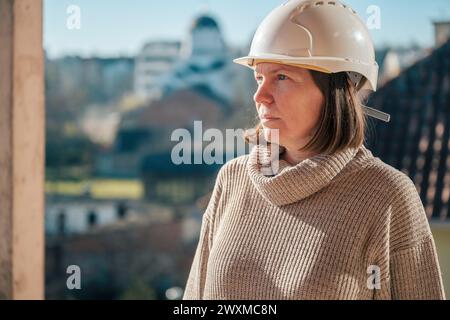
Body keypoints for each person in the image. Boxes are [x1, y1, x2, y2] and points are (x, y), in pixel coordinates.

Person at [183, 0, 445, 300]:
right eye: (259, 77)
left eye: (282, 77)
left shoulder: (387, 197)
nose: (260, 96)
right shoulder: (232, 181)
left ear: (337, 93)